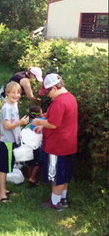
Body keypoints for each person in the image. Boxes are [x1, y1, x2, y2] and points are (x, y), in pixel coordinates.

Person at [32, 73, 78, 210]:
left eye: (47, 92)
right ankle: (62, 199)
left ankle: (55, 202)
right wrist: (43, 124)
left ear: (54, 88)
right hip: (69, 144)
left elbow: (53, 124)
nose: (47, 95)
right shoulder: (70, 98)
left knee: (56, 175)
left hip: (57, 146)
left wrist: (38, 121)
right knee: (64, 173)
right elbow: (58, 118)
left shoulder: (59, 102)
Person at [0, 81, 29, 203]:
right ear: (7, 93)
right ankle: (1, 193)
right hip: (7, 142)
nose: (16, 95)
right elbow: (8, 125)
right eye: (13, 92)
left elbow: (4, 125)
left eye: (18, 92)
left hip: (12, 140)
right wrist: (21, 123)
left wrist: (18, 131)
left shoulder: (13, 104)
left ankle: (4, 189)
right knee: (4, 168)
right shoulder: (7, 107)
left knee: (8, 165)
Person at [26, 106, 45, 188]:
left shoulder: (30, 121)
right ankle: (33, 178)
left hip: (29, 145)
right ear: (37, 115)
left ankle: (29, 176)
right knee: (38, 163)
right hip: (37, 146)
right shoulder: (40, 121)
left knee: (31, 163)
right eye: (41, 113)